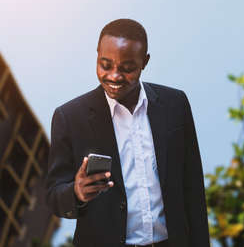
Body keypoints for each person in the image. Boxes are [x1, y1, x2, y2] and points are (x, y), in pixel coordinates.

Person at [46, 19, 210, 247]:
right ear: (97, 56)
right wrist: (76, 192)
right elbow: (53, 196)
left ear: (145, 62)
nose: (114, 76)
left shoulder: (175, 104)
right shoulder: (70, 117)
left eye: (127, 68)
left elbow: (193, 188)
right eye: (105, 65)